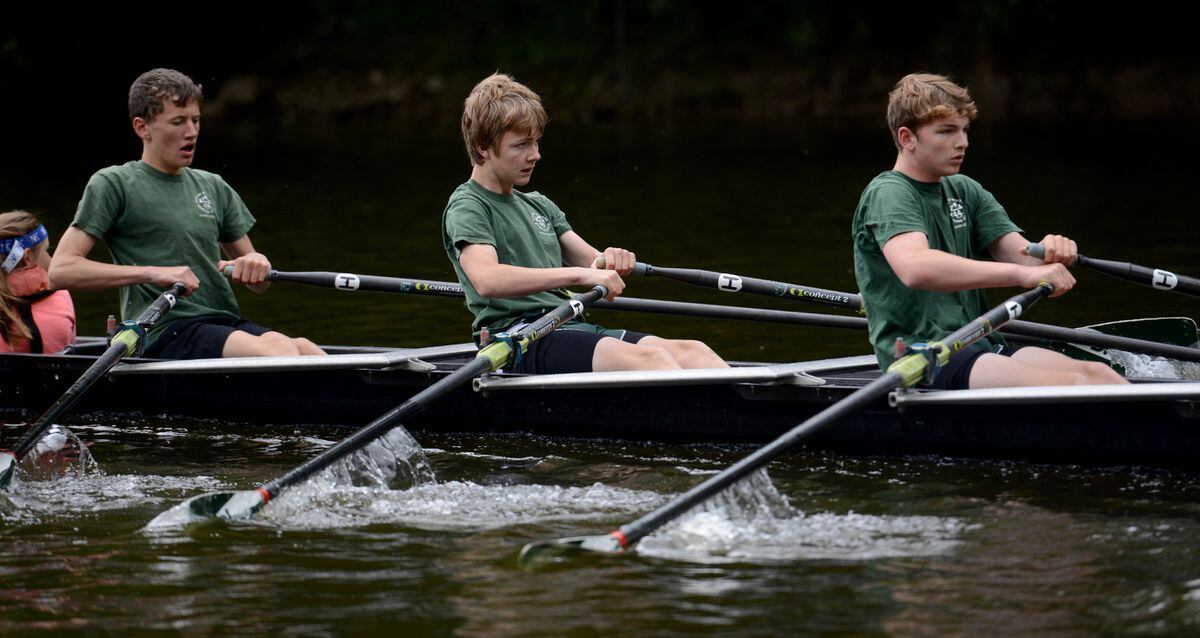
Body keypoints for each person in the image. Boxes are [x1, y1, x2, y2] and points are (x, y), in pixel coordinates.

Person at [852, 73, 1126, 389]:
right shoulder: (889, 193)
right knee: (1075, 386)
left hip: (979, 344)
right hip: (922, 357)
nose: (963, 142)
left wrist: (1051, 252)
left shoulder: (964, 190)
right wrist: (1020, 276)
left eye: (965, 130)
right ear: (906, 138)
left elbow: (1026, 261)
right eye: (947, 131)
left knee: (1100, 376)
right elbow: (916, 268)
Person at [442, 73, 727, 374]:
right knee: (652, 362)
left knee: (694, 352)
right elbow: (488, 280)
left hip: (569, 326)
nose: (535, 155)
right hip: (518, 338)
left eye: (537, 142)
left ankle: (757, 414)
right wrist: (579, 276)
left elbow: (595, 266)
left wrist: (613, 259)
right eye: (521, 145)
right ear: (483, 147)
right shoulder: (469, 206)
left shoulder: (538, 203)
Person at [49, 68, 323, 360]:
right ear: (142, 127)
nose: (191, 132)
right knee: (280, 349)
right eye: (178, 122)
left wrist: (257, 264)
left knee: (305, 347)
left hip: (222, 322)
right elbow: (61, 271)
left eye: (195, 120)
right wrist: (154, 272)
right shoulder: (114, 183)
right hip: (163, 329)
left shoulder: (213, 186)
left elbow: (261, 285)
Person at [0, 210, 75, 353]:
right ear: (27, 256)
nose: (51, 260)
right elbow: (71, 349)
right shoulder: (60, 295)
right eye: (46, 251)